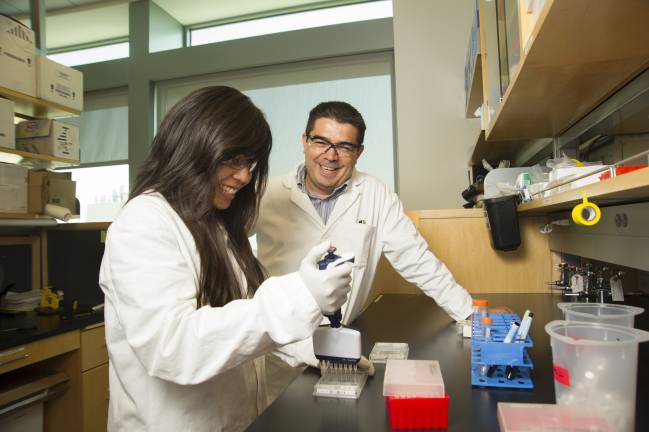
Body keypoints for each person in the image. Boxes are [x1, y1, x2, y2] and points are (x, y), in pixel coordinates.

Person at [98, 87, 353, 432]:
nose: (245, 176)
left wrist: (321, 351)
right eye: (233, 159)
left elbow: (240, 325)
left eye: (250, 163)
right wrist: (302, 295)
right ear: (193, 146)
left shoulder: (217, 225)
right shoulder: (144, 221)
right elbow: (174, 347)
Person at [256, 101, 473, 376]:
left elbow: (415, 257)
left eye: (344, 147)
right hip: (279, 349)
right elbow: (221, 245)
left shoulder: (375, 194)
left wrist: (469, 312)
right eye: (321, 141)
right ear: (305, 140)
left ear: (359, 152)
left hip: (343, 346)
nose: (330, 155)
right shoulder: (267, 193)